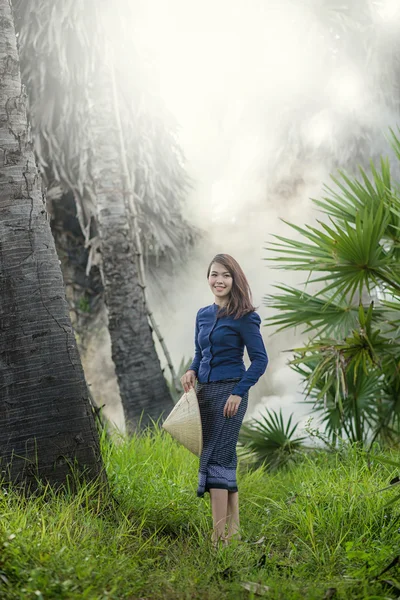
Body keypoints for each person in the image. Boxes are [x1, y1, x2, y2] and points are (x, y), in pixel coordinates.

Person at [180, 253, 268, 546]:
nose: (219, 280)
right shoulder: (202, 315)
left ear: (235, 279)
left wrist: (238, 392)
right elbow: (199, 351)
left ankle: (218, 538)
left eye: (226, 275)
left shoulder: (245, 317)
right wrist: (192, 370)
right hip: (204, 394)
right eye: (214, 274)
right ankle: (234, 531)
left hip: (230, 394)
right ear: (208, 277)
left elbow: (259, 360)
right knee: (225, 458)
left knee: (216, 458)